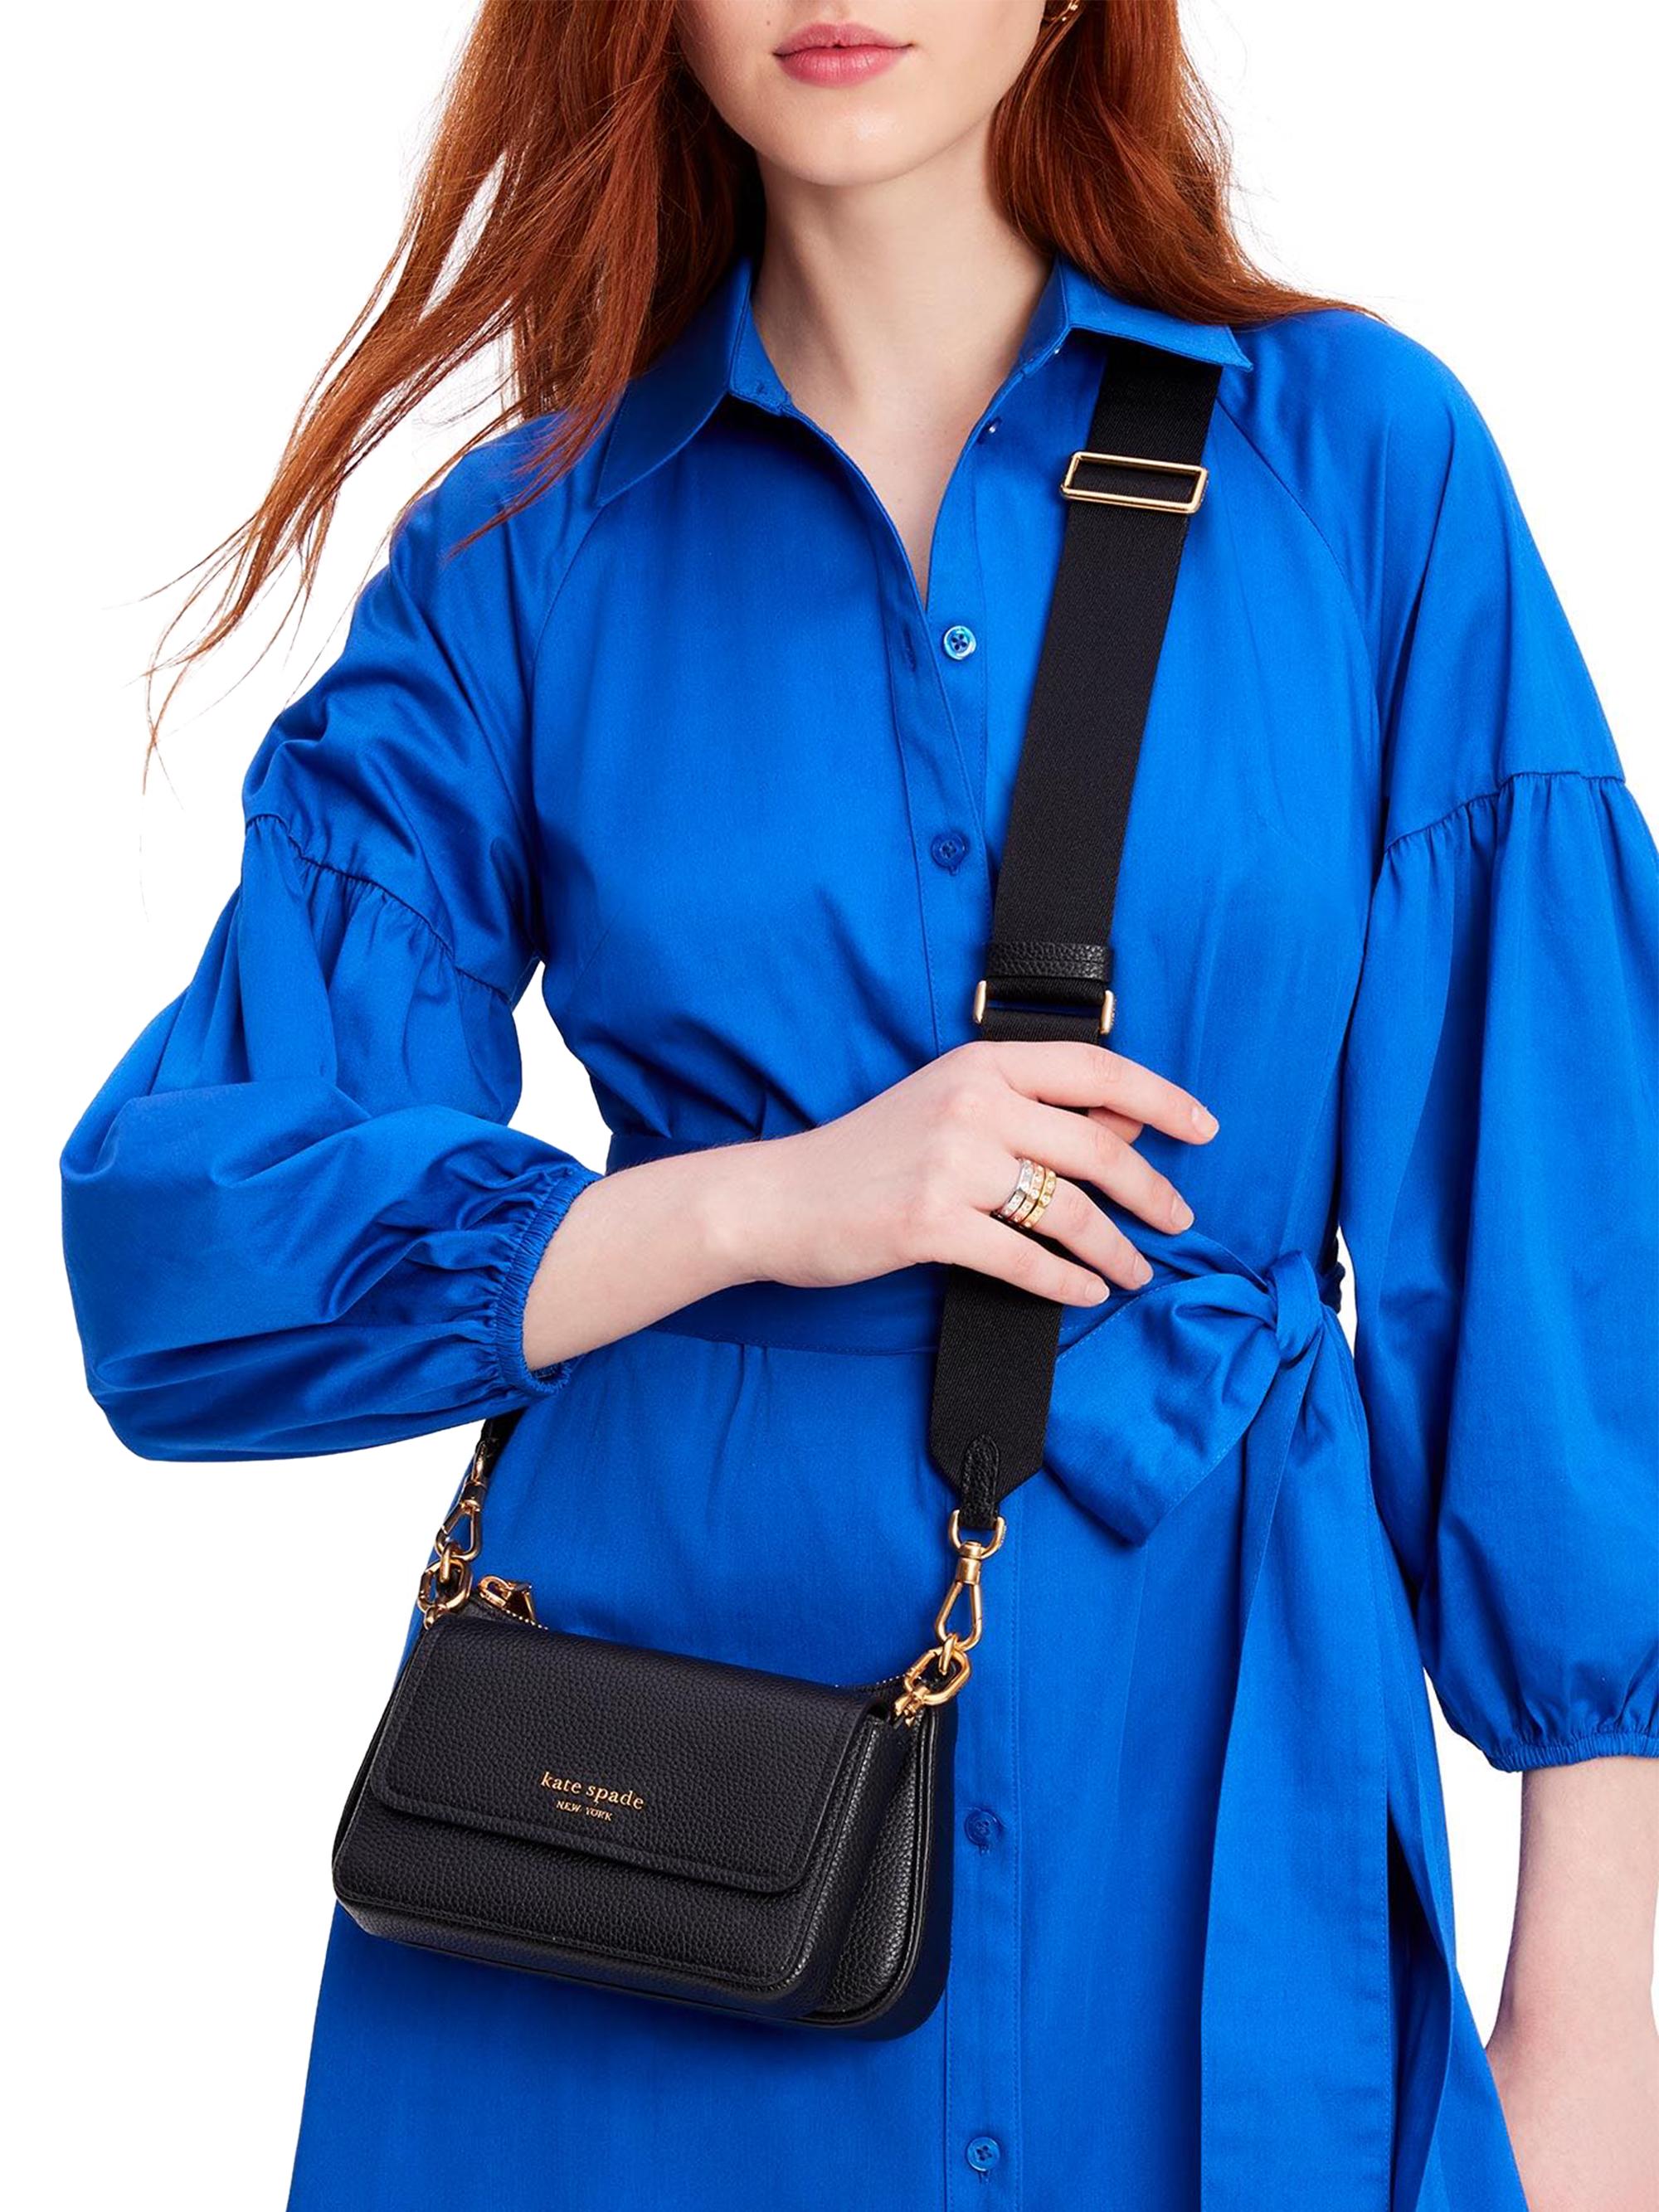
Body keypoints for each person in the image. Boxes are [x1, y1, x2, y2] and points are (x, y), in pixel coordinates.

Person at [59, 4, 1658, 2208]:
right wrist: (766, 1204)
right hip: (633, 1869)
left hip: (1197, 1784)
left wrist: (1600, 2021)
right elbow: (185, 1238)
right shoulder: (529, 547)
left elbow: (1559, 1216)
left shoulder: (1360, 470)